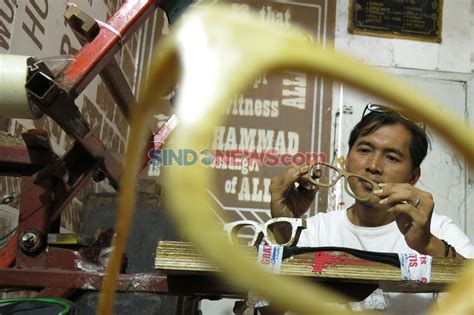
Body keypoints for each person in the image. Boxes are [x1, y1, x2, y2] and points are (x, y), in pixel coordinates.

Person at [269, 104, 474, 314]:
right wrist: (283, 231)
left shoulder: (438, 231)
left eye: (391, 157)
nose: (373, 166)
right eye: (365, 150)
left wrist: (428, 244)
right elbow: (267, 309)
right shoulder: (313, 232)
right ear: (346, 161)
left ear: (413, 176)